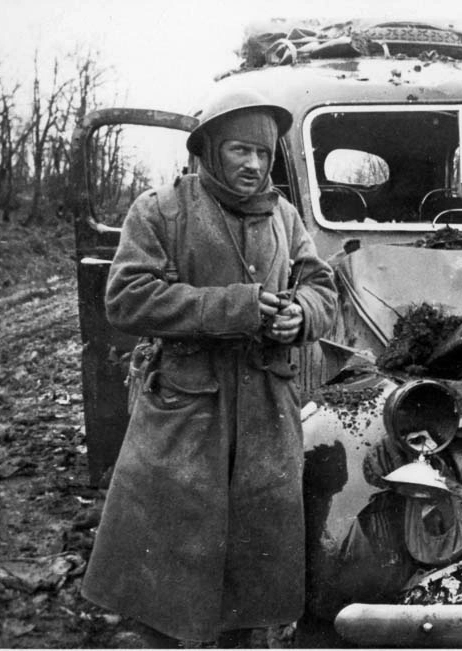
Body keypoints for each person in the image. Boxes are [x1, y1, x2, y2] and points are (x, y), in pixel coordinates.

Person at [81, 89, 338, 647]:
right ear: (210, 150)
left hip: (267, 416)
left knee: (252, 577)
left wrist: (302, 316)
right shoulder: (161, 209)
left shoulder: (285, 216)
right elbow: (125, 298)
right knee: (165, 575)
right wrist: (234, 307)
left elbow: (322, 287)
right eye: (240, 151)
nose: (252, 165)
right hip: (185, 411)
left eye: (263, 155)